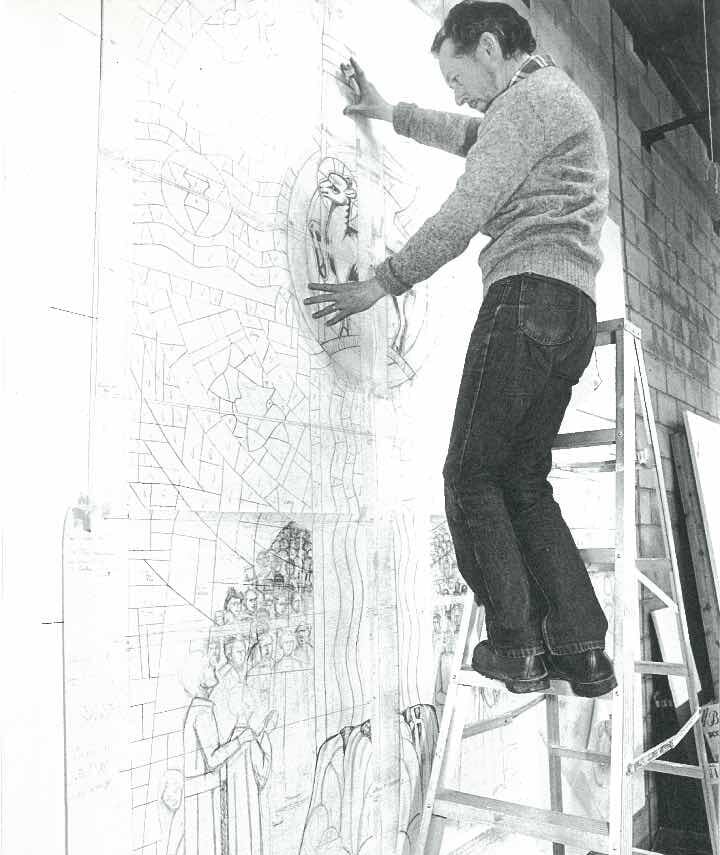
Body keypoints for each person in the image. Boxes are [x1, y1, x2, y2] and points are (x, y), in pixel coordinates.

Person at [304, 1, 615, 697]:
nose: (458, 93)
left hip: (524, 300)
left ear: (490, 47)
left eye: (457, 76)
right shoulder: (550, 101)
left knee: (470, 476)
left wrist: (384, 281)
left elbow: (466, 209)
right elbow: (470, 134)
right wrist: (390, 112)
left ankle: (517, 646)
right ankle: (583, 649)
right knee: (523, 481)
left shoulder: (526, 104)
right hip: (570, 311)